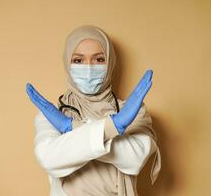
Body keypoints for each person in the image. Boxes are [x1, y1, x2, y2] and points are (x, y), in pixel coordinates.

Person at [26, 25, 161, 196]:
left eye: (98, 59)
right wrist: (112, 128)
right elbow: (49, 158)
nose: (88, 68)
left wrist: (71, 128)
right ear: (67, 63)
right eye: (78, 60)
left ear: (110, 62)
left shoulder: (133, 110)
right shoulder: (50, 114)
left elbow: (135, 158)